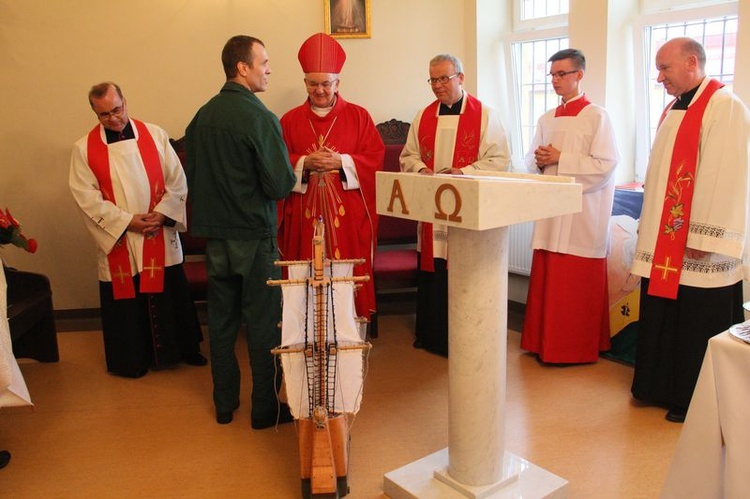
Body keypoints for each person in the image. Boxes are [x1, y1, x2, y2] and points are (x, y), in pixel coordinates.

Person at [630, 37, 750, 423]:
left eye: (665, 68)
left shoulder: (725, 106)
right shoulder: (675, 107)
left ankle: (691, 398)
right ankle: (656, 385)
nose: (659, 77)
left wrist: (702, 236)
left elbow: (727, 177)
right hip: (666, 240)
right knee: (665, 312)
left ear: (692, 63)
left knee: (695, 318)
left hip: (697, 243)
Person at [185, 36, 297, 428]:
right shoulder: (259, 117)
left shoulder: (201, 117)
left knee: (222, 322)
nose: (269, 69)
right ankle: (265, 410)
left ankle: (224, 404)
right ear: (242, 67)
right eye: (263, 62)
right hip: (254, 237)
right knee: (264, 323)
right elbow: (281, 185)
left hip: (215, 238)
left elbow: (192, 178)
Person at [69, 82, 206, 379]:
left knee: (171, 291)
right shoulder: (83, 149)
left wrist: (162, 214)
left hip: (158, 230)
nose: (114, 118)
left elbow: (178, 181)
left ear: (125, 102)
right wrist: (127, 222)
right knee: (126, 298)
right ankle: (131, 360)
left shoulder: (154, 135)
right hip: (122, 237)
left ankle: (182, 350)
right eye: (104, 114)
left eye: (117, 110)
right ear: (95, 112)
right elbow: (86, 198)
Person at [400, 54, 511, 356]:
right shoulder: (422, 117)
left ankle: (466, 339)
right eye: (432, 80)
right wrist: (422, 170)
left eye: (443, 79)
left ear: (460, 78)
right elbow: (408, 156)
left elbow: (499, 160)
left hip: (466, 213)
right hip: (432, 212)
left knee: (463, 271)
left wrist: (462, 173)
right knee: (434, 272)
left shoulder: (486, 115)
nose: (437, 86)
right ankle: (433, 336)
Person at [278, 32, 384, 336]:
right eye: (313, 83)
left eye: (326, 83)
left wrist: (343, 162)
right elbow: (278, 163)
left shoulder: (359, 117)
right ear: (305, 84)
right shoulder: (289, 120)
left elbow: (375, 159)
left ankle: (352, 335)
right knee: (306, 276)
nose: (320, 90)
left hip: (347, 221)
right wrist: (304, 163)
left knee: (346, 277)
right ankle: (304, 336)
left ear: (338, 83)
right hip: (303, 218)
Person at [520, 49, 620, 364]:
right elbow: (531, 160)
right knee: (550, 279)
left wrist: (562, 158)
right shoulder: (546, 118)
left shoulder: (597, 116)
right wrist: (539, 161)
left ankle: (574, 348)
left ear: (579, 75)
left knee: (575, 285)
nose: (555, 81)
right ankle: (543, 343)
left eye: (562, 74)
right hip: (551, 212)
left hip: (582, 213)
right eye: (552, 75)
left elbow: (606, 165)